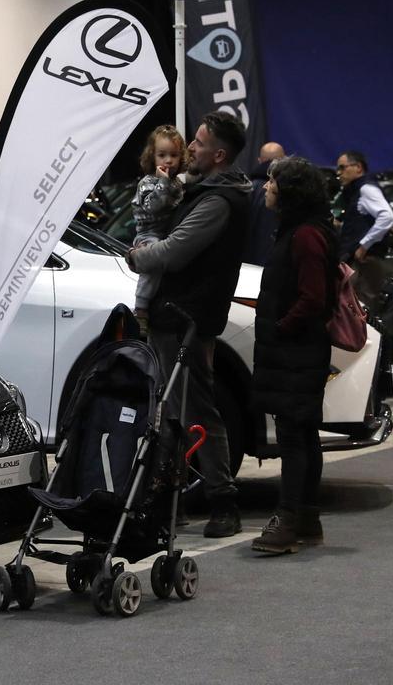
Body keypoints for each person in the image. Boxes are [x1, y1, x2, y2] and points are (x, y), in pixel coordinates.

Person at [127, 112, 252, 538]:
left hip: (188, 319)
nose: (190, 148)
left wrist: (136, 256)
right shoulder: (206, 191)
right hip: (178, 316)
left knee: (196, 409)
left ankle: (222, 500)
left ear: (218, 154)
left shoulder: (219, 200)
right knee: (173, 411)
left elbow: (174, 253)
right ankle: (170, 501)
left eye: (198, 143)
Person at [249, 156, 336, 554]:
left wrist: (280, 328)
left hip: (296, 351)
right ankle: (307, 520)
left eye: (272, 181)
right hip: (297, 350)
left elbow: (313, 298)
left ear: (291, 191)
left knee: (294, 438)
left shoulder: (305, 235)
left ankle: (288, 520)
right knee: (302, 433)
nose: (266, 187)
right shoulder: (302, 230)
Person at [130, 125, 187, 332]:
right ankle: (141, 308)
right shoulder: (148, 182)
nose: (168, 160)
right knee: (153, 261)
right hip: (148, 235)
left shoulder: (176, 184)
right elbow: (153, 207)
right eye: (162, 155)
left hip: (167, 235)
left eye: (174, 155)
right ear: (152, 157)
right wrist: (162, 183)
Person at [334, 150, 393, 313]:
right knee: (353, 305)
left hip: (365, 261)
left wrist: (364, 246)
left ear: (358, 167)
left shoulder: (366, 188)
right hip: (359, 260)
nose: (338, 173)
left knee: (361, 306)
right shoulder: (355, 190)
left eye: (342, 167)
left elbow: (387, 217)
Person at [243, 141, 286, 265]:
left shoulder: (245, 189)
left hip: (245, 264)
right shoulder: (289, 192)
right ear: (284, 160)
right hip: (273, 264)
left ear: (259, 160)